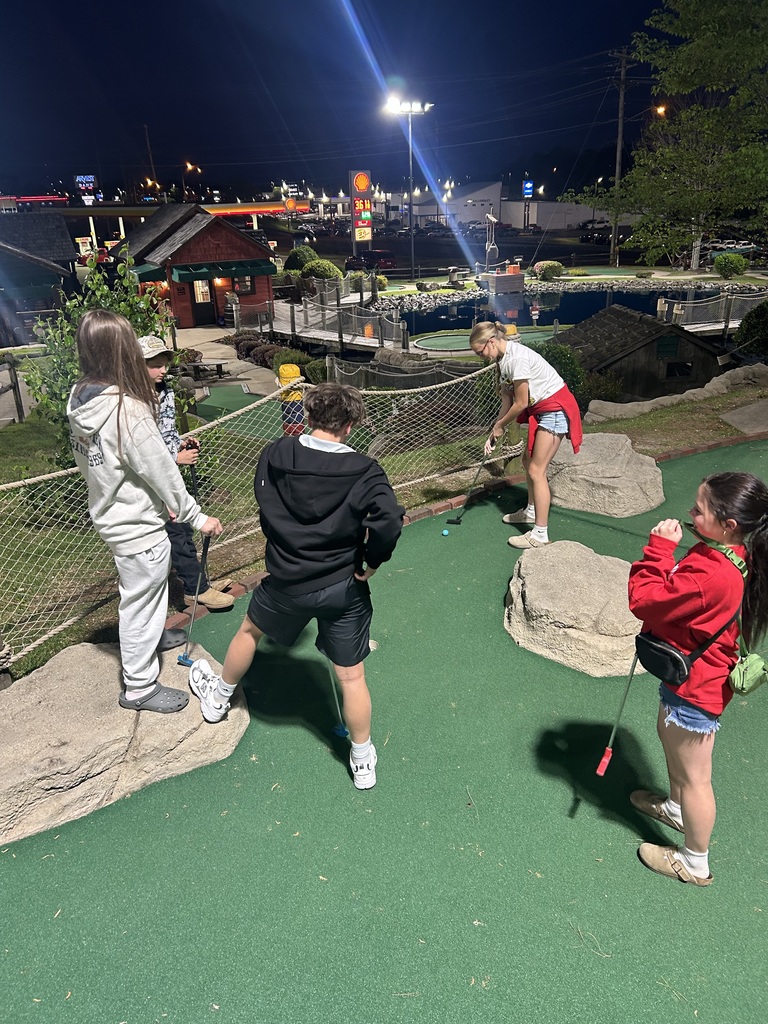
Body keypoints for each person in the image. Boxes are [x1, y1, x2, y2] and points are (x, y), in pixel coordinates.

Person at [188, 383, 404, 790]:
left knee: (250, 632)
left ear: (307, 416)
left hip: (286, 578)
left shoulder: (275, 453)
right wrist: (372, 561)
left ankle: (217, 700)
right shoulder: (365, 470)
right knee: (351, 676)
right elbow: (388, 521)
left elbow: (265, 502)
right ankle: (362, 759)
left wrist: (284, 542)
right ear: (351, 425)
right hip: (341, 583)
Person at [67, 310, 224, 713]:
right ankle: (139, 687)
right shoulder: (127, 411)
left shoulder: (80, 398)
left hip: (112, 515)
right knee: (140, 603)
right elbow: (163, 471)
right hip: (138, 526)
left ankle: (151, 642)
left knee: (143, 596)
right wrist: (196, 516)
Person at [628, 472, 768, 886]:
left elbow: (645, 601)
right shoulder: (729, 552)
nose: (690, 513)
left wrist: (658, 551)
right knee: (667, 736)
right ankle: (675, 808)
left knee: (696, 778)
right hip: (695, 675)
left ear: (728, 525)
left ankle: (694, 861)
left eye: (699, 509)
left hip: (697, 686)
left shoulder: (715, 573)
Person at [138, 335, 234, 611]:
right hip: (150, 482)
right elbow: (141, 449)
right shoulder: (135, 400)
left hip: (166, 473)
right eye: (155, 365)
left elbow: (162, 432)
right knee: (178, 531)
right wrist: (175, 457)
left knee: (180, 530)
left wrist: (178, 442)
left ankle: (199, 583)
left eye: (164, 364)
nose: (163, 370)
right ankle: (196, 589)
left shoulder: (163, 390)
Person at [469, 321, 582, 549]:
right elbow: (507, 402)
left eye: (480, 352)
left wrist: (501, 426)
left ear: (491, 342)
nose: (481, 357)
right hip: (542, 410)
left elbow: (521, 403)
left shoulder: (517, 359)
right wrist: (495, 431)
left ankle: (540, 535)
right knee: (527, 460)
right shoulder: (503, 360)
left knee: (536, 470)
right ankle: (531, 511)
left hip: (555, 410)